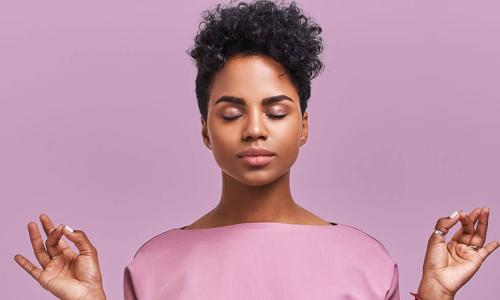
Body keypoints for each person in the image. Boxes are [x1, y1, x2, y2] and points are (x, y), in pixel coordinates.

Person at [14, 1, 499, 299]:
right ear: (205, 130)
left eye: (276, 111)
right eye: (230, 113)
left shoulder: (366, 260)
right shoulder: (154, 265)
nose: (253, 130)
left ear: (304, 126)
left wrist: (435, 296)